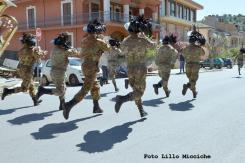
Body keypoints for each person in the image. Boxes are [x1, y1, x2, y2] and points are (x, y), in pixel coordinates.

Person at [63, 19, 109, 120]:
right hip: (92, 66)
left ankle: (96, 107)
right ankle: (69, 105)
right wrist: (103, 37)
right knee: (85, 89)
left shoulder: (84, 40)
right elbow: (108, 48)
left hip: (85, 65)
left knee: (95, 86)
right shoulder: (99, 41)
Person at [115, 15, 155, 118]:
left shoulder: (125, 41)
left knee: (135, 90)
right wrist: (145, 36)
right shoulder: (143, 40)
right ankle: (122, 99)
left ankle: (141, 110)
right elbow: (154, 46)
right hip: (140, 69)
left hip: (130, 69)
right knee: (140, 92)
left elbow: (121, 53)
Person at [35, 32, 79, 110]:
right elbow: (77, 53)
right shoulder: (65, 51)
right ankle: (43, 90)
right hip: (59, 72)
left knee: (63, 88)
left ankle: (62, 105)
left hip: (54, 71)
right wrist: (70, 48)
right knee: (60, 91)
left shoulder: (54, 49)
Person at [1, 33, 46, 105]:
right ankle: (8, 91)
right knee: (25, 88)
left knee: (31, 86)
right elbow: (38, 56)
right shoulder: (32, 50)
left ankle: (35, 101)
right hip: (28, 71)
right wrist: (43, 52)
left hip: (22, 70)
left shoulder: (21, 50)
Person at [182, 26, 206, 98]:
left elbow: (183, 54)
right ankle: (187, 86)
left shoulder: (185, 48)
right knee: (193, 81)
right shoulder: (198, 48)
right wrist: (199, 45)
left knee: (191, 80)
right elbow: (203, 54)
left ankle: (194, 92)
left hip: (188, 66)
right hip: (195, 66)